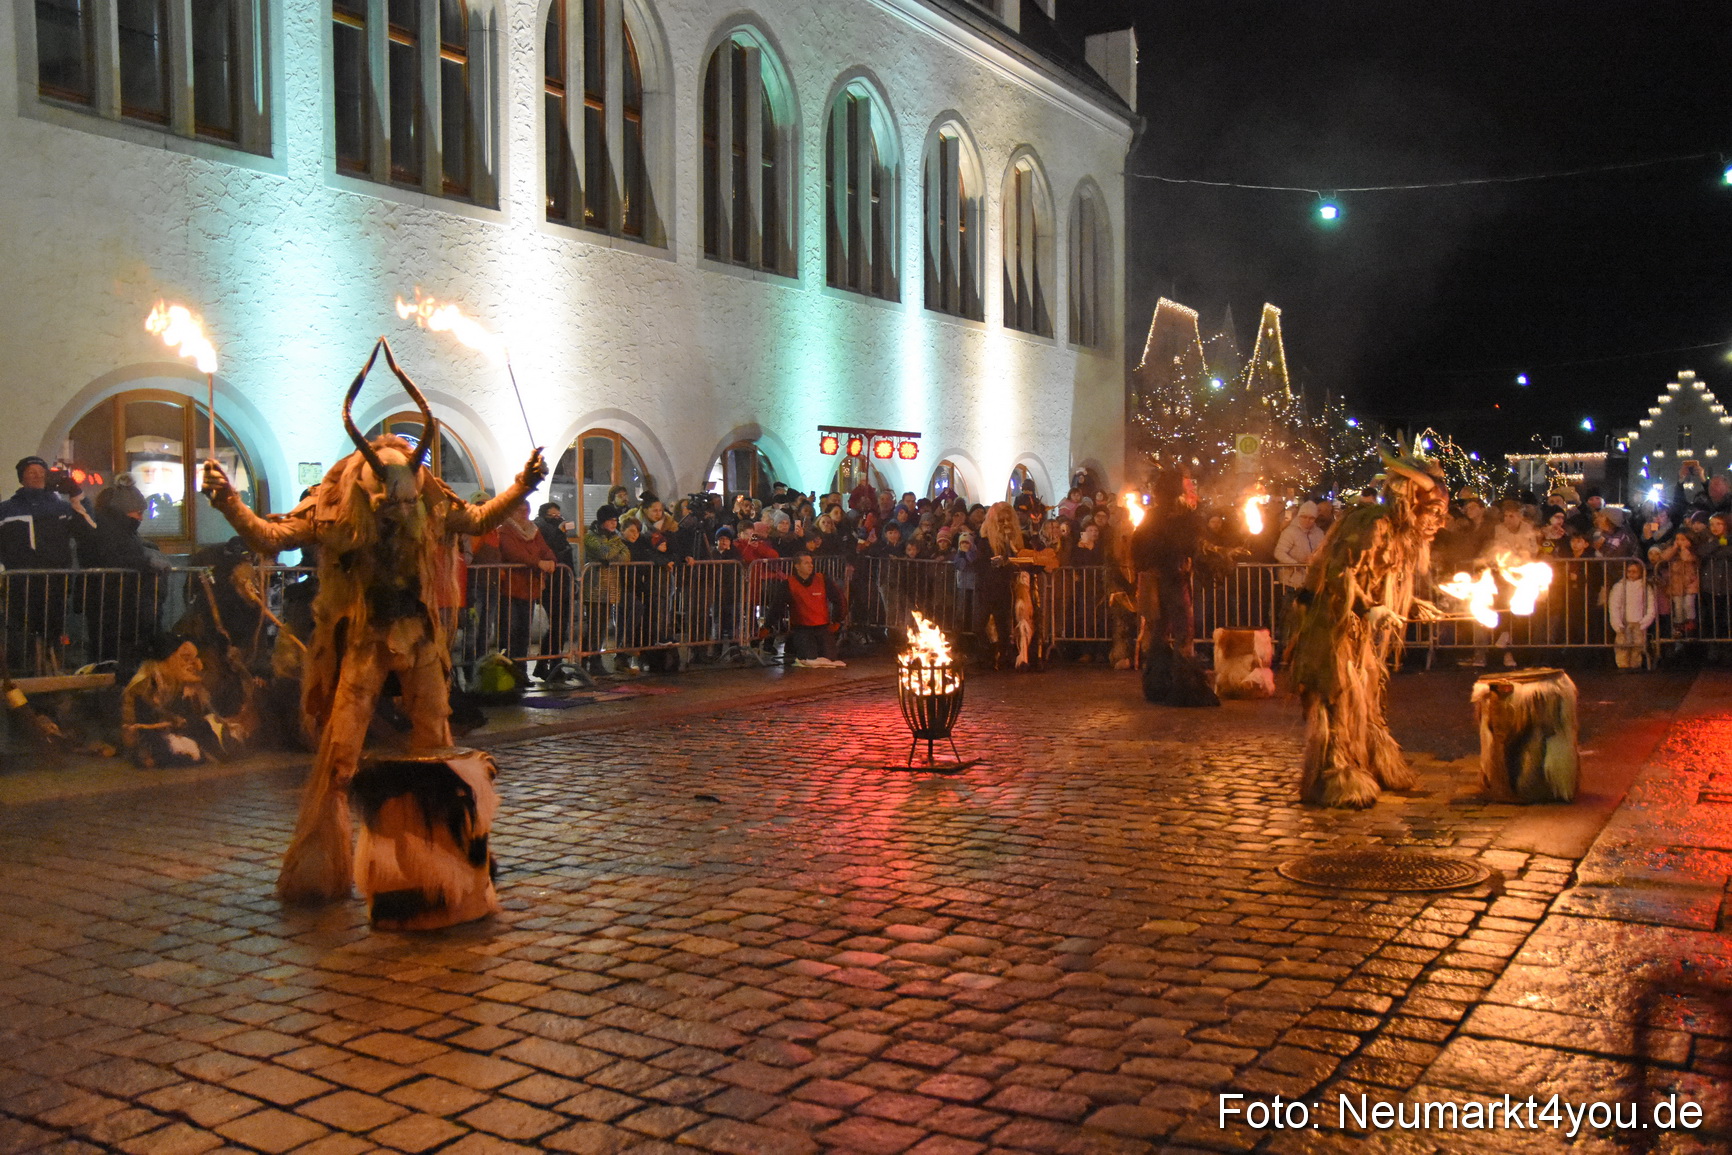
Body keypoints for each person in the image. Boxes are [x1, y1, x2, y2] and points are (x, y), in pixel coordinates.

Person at [0, 455, 96, 667]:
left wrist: (76, 493)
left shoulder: (61, 508)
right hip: (19, 583)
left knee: (53, 630)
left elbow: (90, 528)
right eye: (31, 472)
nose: (37, 476)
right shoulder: (6, 509)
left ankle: (51, 671)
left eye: (42, 473)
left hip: (54, 582)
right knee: (21, 630)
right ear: (21, 477)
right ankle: (23, 673)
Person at [497, 498, 557, 681]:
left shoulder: (534, 531)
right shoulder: (505, 531)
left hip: (530, 588)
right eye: (519, 510)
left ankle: (521, 670)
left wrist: (551, 561)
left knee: (524, 631)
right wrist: (538, 562)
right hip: (511, 588)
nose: (524, 514)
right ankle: (509, 670)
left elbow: (545, 550)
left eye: (526, 510)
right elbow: (513, 553)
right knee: (510, 631)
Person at [771, 551, 845, 667]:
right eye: (806, 563)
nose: (811, 565)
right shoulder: (788, 584)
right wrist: (768, 625)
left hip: (822, 627)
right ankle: (793, 646)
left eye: (811, 563)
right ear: (797, 566)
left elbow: (839, 599)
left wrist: (837, 620)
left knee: (829, 658)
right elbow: (777, 606)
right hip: (802, 628)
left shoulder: (822, 580)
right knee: (809, 658)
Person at [580, 504, 629, 672]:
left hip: (610, 588)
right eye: (610, 520)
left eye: (616, 520)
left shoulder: (614, 538)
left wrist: (612, 555)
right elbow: (604, 553)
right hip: (594, 588)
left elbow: (626, 556)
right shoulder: (591, 537)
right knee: (594, 625)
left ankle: (593, 657)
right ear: (602, 522)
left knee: (602, 626)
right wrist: (618, 543)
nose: (614, 524)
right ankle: (590, 657)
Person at [533, 502, 576, 681]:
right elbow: (554, 550)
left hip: (562, 582)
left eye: (559, 514)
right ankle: (546, 664)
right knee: (556, 626)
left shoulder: (556, 531)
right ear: (544, 515)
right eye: (553, 515)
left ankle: (551, 665)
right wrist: (559, 531)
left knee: (560, 626)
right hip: (551, 584)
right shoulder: (542, 529)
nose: (558, 518)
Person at [1607, 560, 1657, 671]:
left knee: (1638, 645)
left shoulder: (1645, 587)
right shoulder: (1619, 586)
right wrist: (1617, 623)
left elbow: (1651, 605)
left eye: (1635, 571)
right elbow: (1614, 605)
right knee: (1622, 645)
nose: (1631, 574)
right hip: (1624, 622)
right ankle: (1623, 665)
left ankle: (1635, 665)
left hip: (1639, 622)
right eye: (1629, 571)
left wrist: (1645, 621)